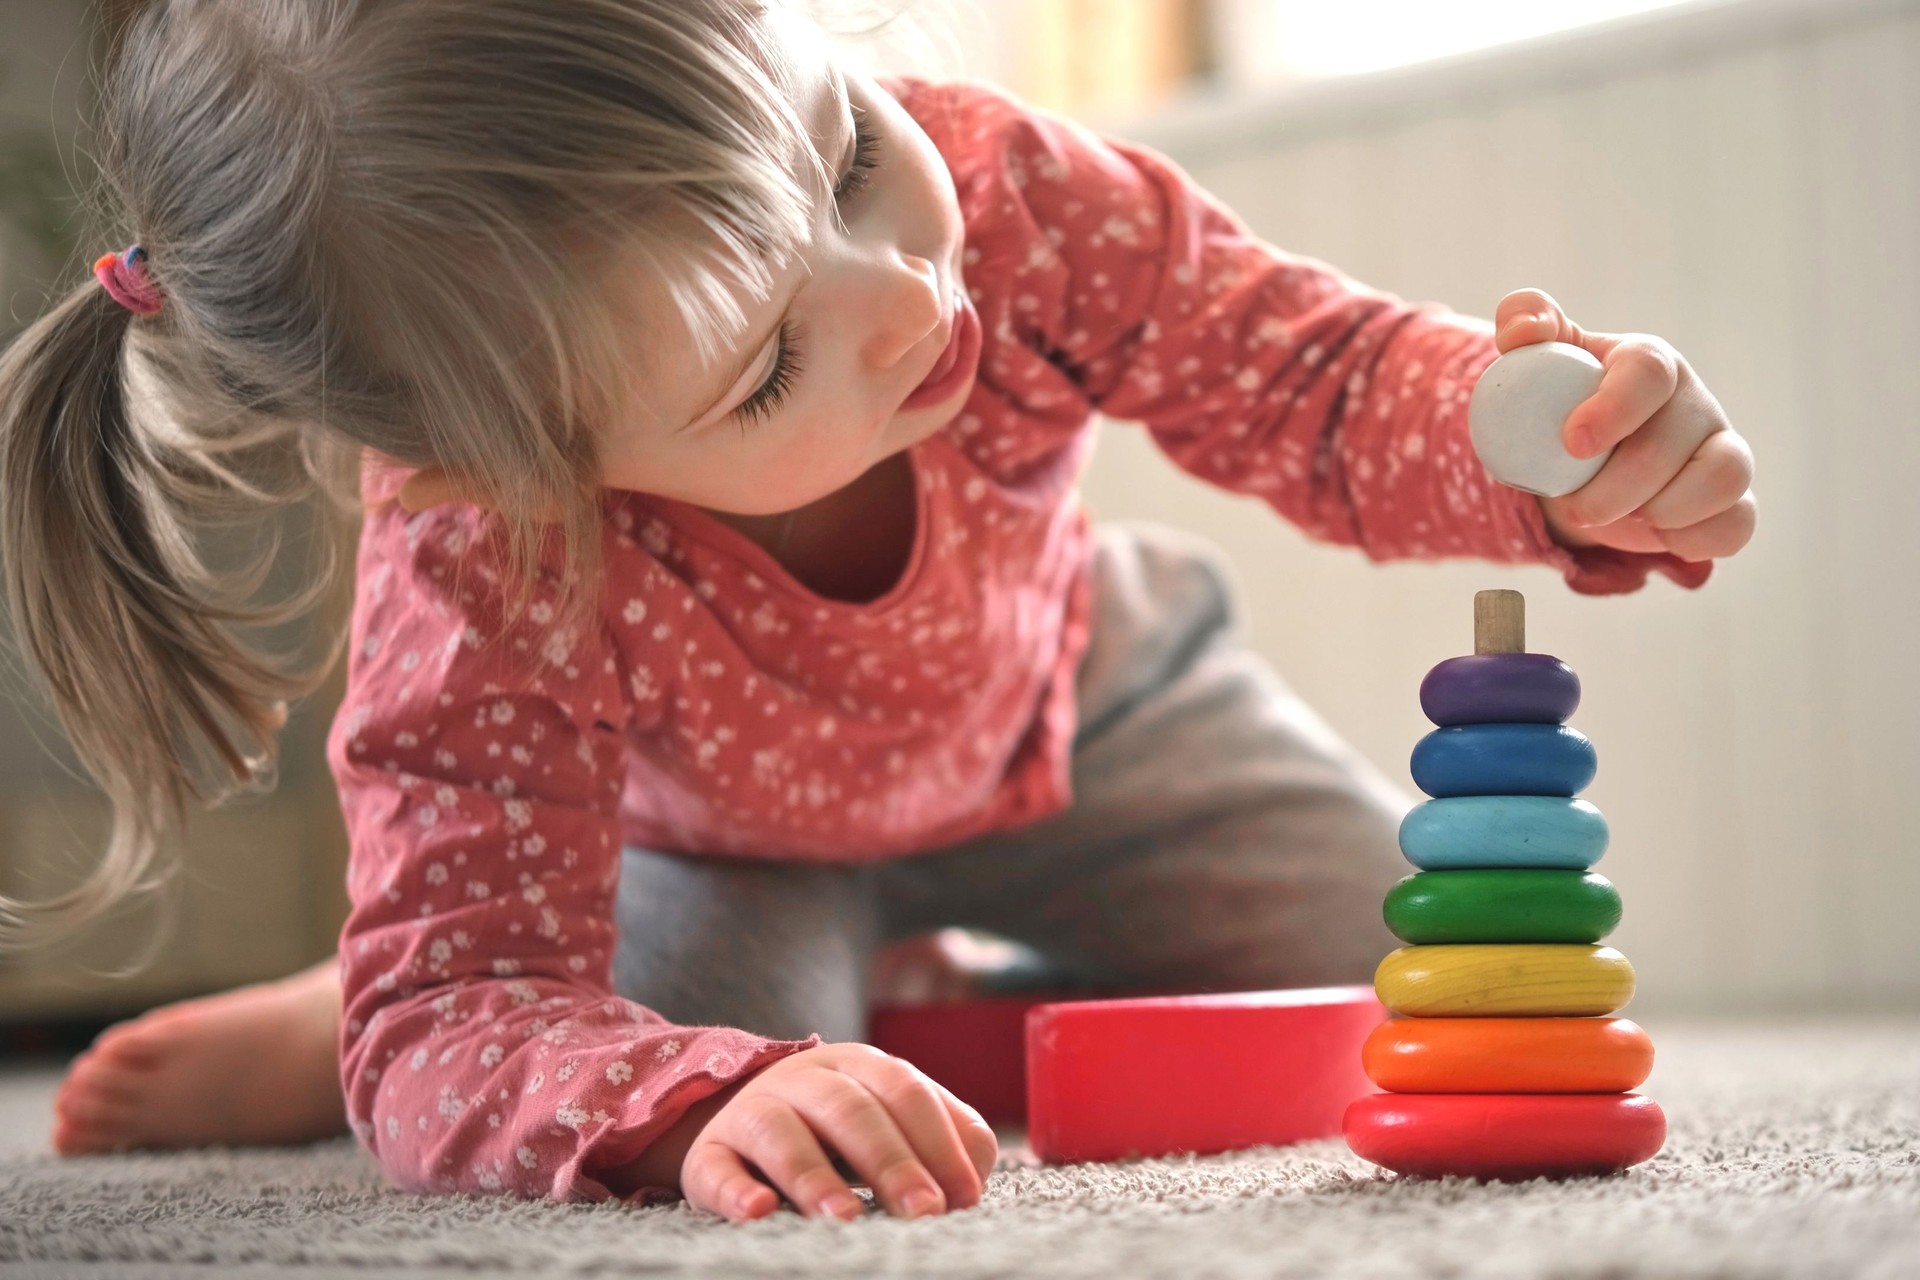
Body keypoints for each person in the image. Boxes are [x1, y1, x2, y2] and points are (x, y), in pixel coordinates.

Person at [2, 0, 1754, 1223]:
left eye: (844, 156)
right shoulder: (487, 554)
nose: (910, 297)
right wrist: (674, 1089)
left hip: (1093, 703)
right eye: (766, 364)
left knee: (1427, 974)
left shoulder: (1014, 197)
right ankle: (359, 1006)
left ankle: (914, 985)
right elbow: (486, 1006)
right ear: (535, 472)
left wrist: (1544, 447)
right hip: (730, 846)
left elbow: (1305, 376)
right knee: (734, 1094)